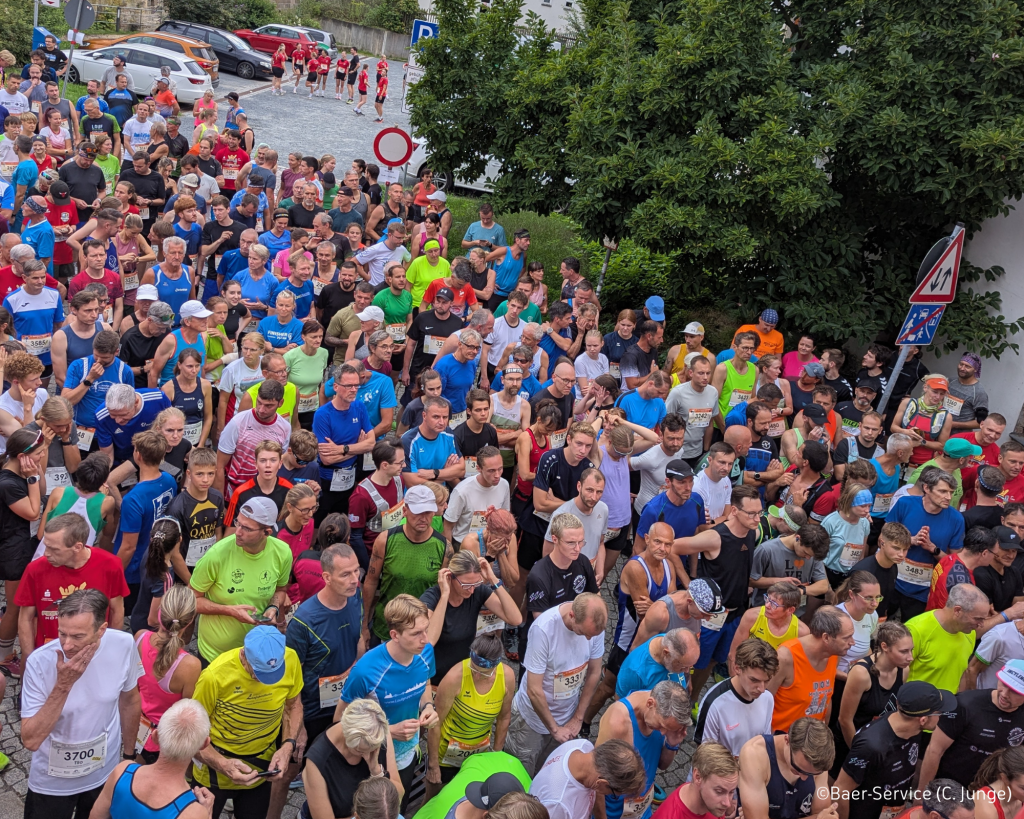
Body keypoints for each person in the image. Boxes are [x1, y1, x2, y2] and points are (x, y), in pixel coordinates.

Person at [20, 589, 142, 819]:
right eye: (61, 633)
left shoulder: (124, 644)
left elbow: (130, 700)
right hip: (52, 781)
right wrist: (63, 685)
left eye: (77, 637)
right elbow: (30, 739)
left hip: (102, 773)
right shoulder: (40, 662)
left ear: (102, 630)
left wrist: (128, 756)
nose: (66, 645)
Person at [338, 594, 443, 811]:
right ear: (394, 635)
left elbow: (424, 683)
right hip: (371, 756)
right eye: (416, 634)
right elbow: (339, 721)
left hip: (407, 754)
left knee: (397, 809)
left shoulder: (425, 652)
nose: (425, 639)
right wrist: (389, 731)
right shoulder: (366, 671)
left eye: (426, 629)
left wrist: (428, 706)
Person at [191, 625, 303, 819]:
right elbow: (190, 736)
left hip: (261, 767)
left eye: (272, 675)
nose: (263, 682)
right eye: (258, 673)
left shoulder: (290, 659)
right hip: (214, 771)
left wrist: (287, 747)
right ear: (243, 655)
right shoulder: (214, 676)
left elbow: (293, 705)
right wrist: (222, 765)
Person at [673, 485, 763, 696]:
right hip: (710, 616)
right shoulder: (715, 537)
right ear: (734, 511)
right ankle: (681, 698)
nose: (757, 518)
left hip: (736, 613)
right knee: (693, 662)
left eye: (759, 512)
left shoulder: (752, 532)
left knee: (714, 660)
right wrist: (690, 586)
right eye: (751, 513)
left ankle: (693, 700)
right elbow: (673, 548)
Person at [505, 593, 608, 775]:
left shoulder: (594, 627)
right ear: (572, 616)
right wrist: (554, 729)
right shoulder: (543, 630)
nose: (588, 640)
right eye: (583, 634)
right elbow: (534, 690)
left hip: (567, 717)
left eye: (593, 636)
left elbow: (594, 672)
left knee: (549, 770)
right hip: (531, 721)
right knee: (519, 773)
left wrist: (578, 717)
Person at [15, 511, 128, 665]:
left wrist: (112, 649)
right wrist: (29, 657)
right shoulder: (35, 569)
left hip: (92, 653)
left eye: (54, 549)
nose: (46, 554)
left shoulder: (110, 565)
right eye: (46, 546)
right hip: (50, 653)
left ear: (77, 547)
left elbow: (116, 610)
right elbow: (25, 618)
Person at [189, 497, 291, 664]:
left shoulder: (282, 553)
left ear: (267, 532)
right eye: (238, 523)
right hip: (216, 656)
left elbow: (280, 590)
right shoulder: (217, 555)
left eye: (247, 528)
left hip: (256, 654)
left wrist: (272, 608)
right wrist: (230, 611)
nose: (237, 531)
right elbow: (191, 600)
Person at [833, 681, 957, 819]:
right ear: (922, 719)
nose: (940, 717)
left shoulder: (914, 728)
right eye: (938, 712)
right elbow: (840, 790)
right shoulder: (871, 746)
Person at [86, 698, 213, 819]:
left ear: (155, 736)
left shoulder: (122, 772)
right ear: (204, 744)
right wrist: (206, 813)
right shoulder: (193, 812)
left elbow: (95, 816)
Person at [427, 632, 517, 796]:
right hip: (447, 754)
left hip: (478, 753)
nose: (476, 675)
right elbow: (436, 722)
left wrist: (496, 754)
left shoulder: (507, 677)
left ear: (496, 666)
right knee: (435, 798)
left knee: (469, 799)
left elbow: (504, 717)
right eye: (473, 669)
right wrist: (433, 764)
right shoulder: (454, 678)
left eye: (483, 673)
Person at [422, 551, 522, 684]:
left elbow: (515, 618)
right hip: (434, 678)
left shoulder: (477, 591)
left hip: (463, 673)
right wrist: (445, 595)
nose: (471, 590)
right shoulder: (431, 598)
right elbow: (428, 640)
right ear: (449, 577)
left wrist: (493, 579)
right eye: (465, 585)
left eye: (476, 583)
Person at [594, 681, 691, 819]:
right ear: (650, 704)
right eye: (662, 726)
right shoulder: (618, 722)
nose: (663, 733)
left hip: (642, 809)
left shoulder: (660, 716)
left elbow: (662, 765)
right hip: (613, 813)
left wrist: (672, 744)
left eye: (668, 729)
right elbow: (595, 778)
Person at [129, 583, 202, 762]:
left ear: (160, 611)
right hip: (166, 739)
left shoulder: (139, 637)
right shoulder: (190, 665)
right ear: (191, 620)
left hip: (138, 726)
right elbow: (185, 712)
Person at [299, 697, 404, 819]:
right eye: (360, 750)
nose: (367, 755)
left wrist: (377, 771)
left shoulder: (378, 733)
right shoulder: (318, 761)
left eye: (373, 749)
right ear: (346, 735)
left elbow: (399, 795)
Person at [927, 657, 1024, 785]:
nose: (1005, 694)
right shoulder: (965, 704)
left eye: (1015, 691)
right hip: (952, 786)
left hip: (993, 791)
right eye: (1004, 684)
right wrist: (922, 792)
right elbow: (934, 750)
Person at [887, 469, 966, 621]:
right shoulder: (905, 504)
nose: (948, 497)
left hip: (923, 591)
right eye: (943, 491)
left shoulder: (957, 519)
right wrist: (910, 540)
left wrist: (933, 549)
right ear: (927, 488)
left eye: (951, 492)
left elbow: (955, 562)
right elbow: (882, 540)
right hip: (892, 580)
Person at [767, 606, 855, 732]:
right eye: (847, 638)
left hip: (812, 740)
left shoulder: (834, 654)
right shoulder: (785, 657)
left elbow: (826, 697)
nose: (853, 643)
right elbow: (762, 702)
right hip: (782, 741)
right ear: (826, 638)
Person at [906, 582, 996, 696]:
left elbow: (961, 672)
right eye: (978, 619)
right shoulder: (916, 630)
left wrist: (959, 702)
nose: (981, 625)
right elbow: (897, 673)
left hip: (949, 706)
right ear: (957, 610)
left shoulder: (968, 632)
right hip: (918, 706)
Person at [695, 637, 778, 757]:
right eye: (754, 680)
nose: (762, 689)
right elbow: (704, 755)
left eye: (767, 681)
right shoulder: (714, 703)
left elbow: (764, 741)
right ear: (737, 668)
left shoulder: (768, 698)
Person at [737, 718, 835, 819]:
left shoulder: (819, 760)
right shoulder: (755, 754)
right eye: (798, 769)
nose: (804, 777)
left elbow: (824, 814)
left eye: (811, 774)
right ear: (787, 741)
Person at [529, 738, 647, 819]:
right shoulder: (558, 804)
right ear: (601, 782)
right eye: (613, 794)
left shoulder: (583, 747)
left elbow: (597, 791)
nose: (609, 795)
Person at [653, 741, 739, 819]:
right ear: (698, 777)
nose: (727, 803)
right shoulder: (670, 815)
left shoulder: (712, 804)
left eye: (731, 792)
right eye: (719, 791)